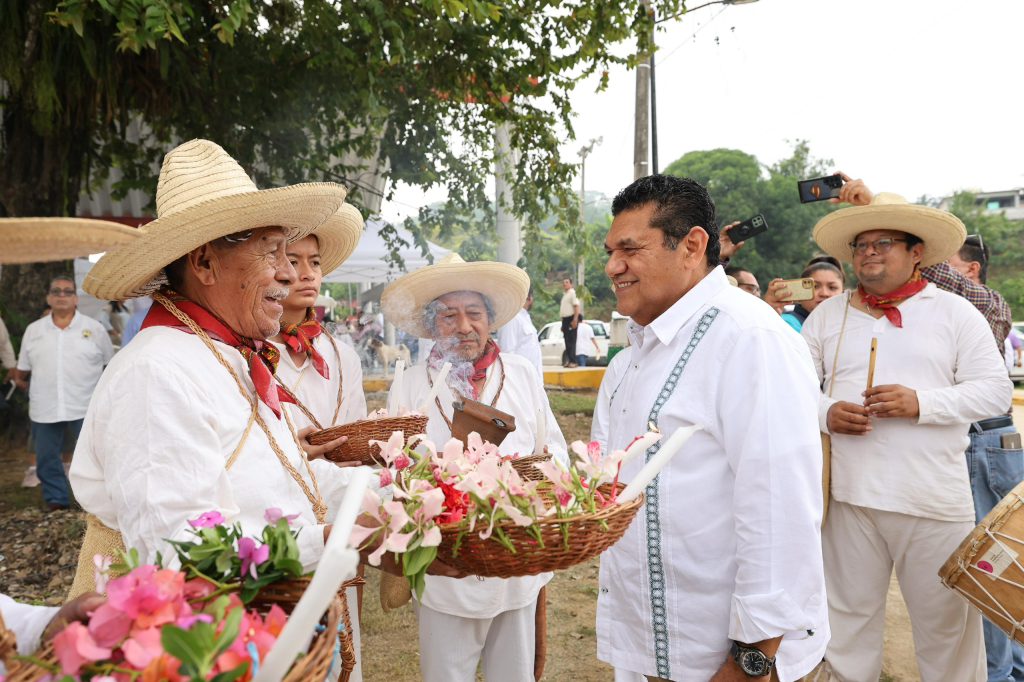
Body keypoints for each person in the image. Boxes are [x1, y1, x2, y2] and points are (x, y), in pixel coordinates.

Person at [68, 140, 437, 599]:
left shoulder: (228, 355)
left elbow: (284, 477)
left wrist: (397, 494)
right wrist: (331, 538)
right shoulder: (154, 371)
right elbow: (180, 550)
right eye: (271, 252)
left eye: (288, 253)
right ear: (204, 261)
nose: (289, 273)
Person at [598, 175, 827, 682]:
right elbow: (609, 487)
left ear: (693, 246)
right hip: (648, 644)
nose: (613, 266)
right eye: (611, 250)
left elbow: (780, 509)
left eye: (631, 249)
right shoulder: (627, 361)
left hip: (727, 658)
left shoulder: (751, 339)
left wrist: (752, 659)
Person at [803, 192, 1013, 681]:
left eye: (884, 242)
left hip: (933, 500)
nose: (869, 252)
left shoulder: (956, 313)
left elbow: (995, 393)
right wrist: (825, 412)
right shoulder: (827, 316)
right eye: (860, 244)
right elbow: (788, 390)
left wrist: (922, 403)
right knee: (846, 629)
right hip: (847, 499)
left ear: (917, 251)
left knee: (949, 638)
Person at [380, 252, 568, 682]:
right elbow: (393, 469)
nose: (464, 327)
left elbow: (554, 452)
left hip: (517, 565)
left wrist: (525, 476)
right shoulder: (410, 385)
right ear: (430, 326)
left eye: (474, 313)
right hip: (447, 570)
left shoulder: (519, 373)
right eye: (449, 316)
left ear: (490, 319)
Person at [11, 276, 113, 511]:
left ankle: (97, 501)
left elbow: (109, 364)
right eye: (56, 291)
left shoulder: (94, 328)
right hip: (44, 404)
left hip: (86, 404)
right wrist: (19, 380)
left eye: (67, 291)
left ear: (75, 298)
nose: (61, 295)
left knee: (95, 454)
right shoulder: (34, 330)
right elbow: (23, 368)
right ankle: (56, 498)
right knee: (46, 457)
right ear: (48, 298)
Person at [270, 205, 367, 433]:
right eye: (293, 262)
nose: (308, 274)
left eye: (314, 262)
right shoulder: (247, 351)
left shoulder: (344, 357)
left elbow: (357, 433)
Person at [770, 261, 846, 332]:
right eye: (815, 286)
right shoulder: (786, 324)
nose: (824, 293)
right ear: (800, 292)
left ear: (843, 293)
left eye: (832, 287)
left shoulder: (849, 325)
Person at [495, 285, 543, 379]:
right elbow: (507, 353)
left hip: (532, 379)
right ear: (530, 297)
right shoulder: (511, 318)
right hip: (520, 380)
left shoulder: (524, 317)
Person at [559, 276, 580, 367]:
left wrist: (575, 319)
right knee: (567, 341)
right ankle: (569, 360)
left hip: (571, 319)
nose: (564, 284)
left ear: (571, 284)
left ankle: (573, 361)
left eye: (567, 282)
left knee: (571, 341)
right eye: (563, 282)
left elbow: (576, 306)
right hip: (565, 320)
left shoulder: (572, 293)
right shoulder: (565, 294)